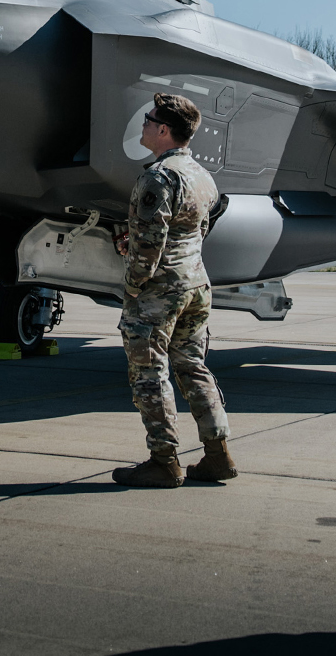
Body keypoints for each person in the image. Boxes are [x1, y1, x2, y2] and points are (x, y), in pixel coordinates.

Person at [112, 93, 235, 488]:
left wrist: (132, 286)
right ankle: (218, 455)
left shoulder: (158, 177)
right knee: (192, 368)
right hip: (195, 285)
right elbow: (195, 230)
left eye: (149, 120)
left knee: (150, 374)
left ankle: (164, 461)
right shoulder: (201, 175)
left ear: (163, 130)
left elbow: (150, 248)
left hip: (159, 292)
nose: (144, 125)